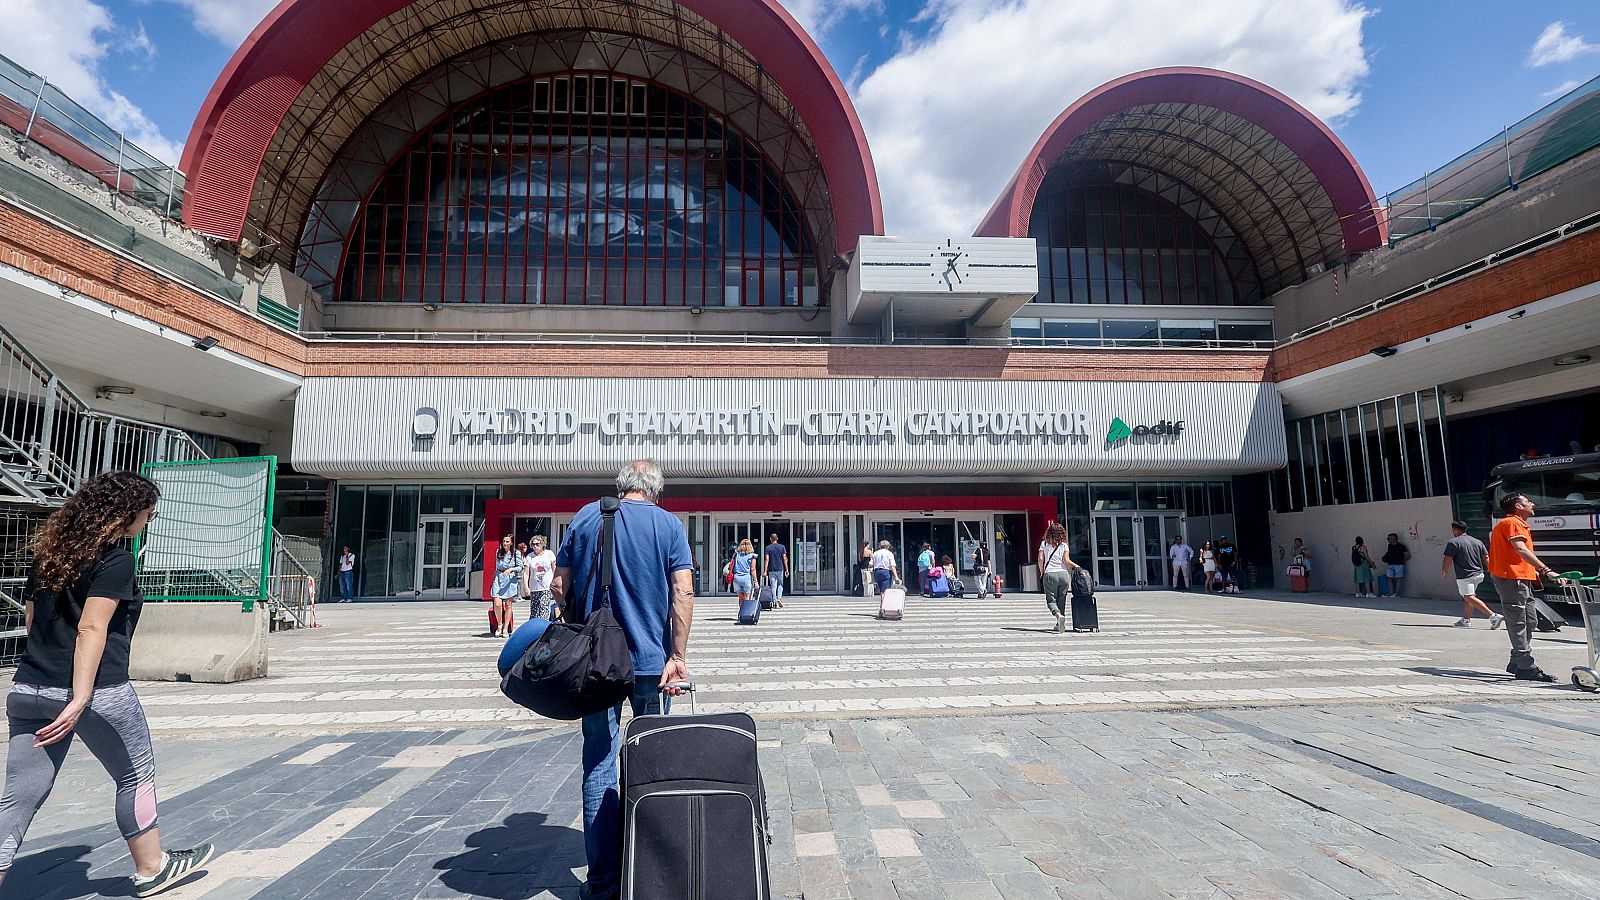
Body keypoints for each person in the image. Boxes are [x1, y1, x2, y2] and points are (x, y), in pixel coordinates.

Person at [0, 471, 214, 897]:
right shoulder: (114, 559)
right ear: (124, 515)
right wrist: (79, 696)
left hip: (28, 689)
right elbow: (91, 628)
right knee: (135, 776)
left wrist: (44, 672)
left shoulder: (48, 555)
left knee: (19, 798)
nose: (147, 523)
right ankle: (153, 868)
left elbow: (31, 620)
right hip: (98, 692)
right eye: (146, 515)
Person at [549, 460, 694, 900]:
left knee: (598, 762)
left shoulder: (587, 516)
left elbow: (558, 584)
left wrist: (577, 625)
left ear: (620, 487)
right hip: (652, 664)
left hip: (596, 664)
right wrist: (678, 656)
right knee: (654, 761)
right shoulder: (668, 525)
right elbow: (683, 591)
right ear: (655, 491)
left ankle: (603, 884)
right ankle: (652, 875)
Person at [1488, 492, 1566, 682]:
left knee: (1530, 621)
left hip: (1520, 578)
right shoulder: (1512, 523)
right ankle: (1526, 666)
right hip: (1511, 579)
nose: (1532, 503)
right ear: (1518, 507)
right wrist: (1546, 570)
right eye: (1527, 501)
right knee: (1518, 623)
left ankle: (1516, 662)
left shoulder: (1514, 523)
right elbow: (1520, 549)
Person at [1442, 521, 1501, 629]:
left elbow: (1448, 558)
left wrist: (1445, 570)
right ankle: (1466, 620)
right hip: (1479, 574)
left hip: (1465, 575)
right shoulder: (1477, 542)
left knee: (1468, 596)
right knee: (1470, 597)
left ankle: (1493, 616)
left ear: (1454, 530)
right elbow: (1486, 557)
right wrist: (1491, 571)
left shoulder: (1453, 542)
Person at [1037, 522, 1082, 633]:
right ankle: (1060, 625)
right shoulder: (1064, 545)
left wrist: (1042, 572)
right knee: (1061, 599)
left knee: (1051, 600)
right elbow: (1066, 561)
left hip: (1050, 574)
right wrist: (1077, 566)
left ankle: (1058, 616)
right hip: (1063, 575)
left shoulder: (1044, 544)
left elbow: (1040, 559)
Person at [489, 534, 521, 638]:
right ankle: (499, 625)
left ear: (511, 543)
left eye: (507, 541)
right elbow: (496, 565)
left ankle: (506, 628)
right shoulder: (499, 552)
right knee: (497, 603)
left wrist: (511, 569)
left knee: (508, 605)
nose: (505, 544)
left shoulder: (516, 553)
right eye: (504, 541)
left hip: (510, 579)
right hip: (499, 577)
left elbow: (520, 567)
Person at [523, 535, 556, 620]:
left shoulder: (549, 554)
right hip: (534, 588)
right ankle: (533, 628)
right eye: (533, 544)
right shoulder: (529, 556)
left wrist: (555, 582)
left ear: (542, 545)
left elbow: (554, 568)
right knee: (534, 611)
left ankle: (543, 628)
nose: (535, 546)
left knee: (543, 608)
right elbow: (526, 573)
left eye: (537, 544)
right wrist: (526, 587)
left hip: (546, 587)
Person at [761, 533, 788, 609]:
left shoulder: (768, 548)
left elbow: (767, 559)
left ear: (771, 539)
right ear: (777, 539)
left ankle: (774, 600)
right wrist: (786, 569)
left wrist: (765, 571)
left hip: (771, 569)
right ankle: (779, 598)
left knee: (773, 586)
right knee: (780, 585)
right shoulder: (782, 547)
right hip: (780, 568)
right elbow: (784, 558)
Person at [1381, 533, 1411, 598]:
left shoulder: (1401, 546)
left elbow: (1407, 555)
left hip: (1399, 564)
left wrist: (1402, 560)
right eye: (1388, 538)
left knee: (1398, 579)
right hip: (1390, 564)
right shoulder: (1389, 546)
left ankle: (1396, 594)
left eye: (1390, 538)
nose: (1388, 540)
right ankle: (1391, 592)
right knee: (1389, 578)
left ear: (1395, 539)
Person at [731, 538, 758, 606]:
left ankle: (741, 612)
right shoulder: (752, 556)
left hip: (736, 578)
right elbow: (753, 569)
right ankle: (745, 614)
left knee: (741, 598)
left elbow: (731, 564)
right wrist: (756, 582)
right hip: (746, 578)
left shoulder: (736, 554)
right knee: (746, 598)